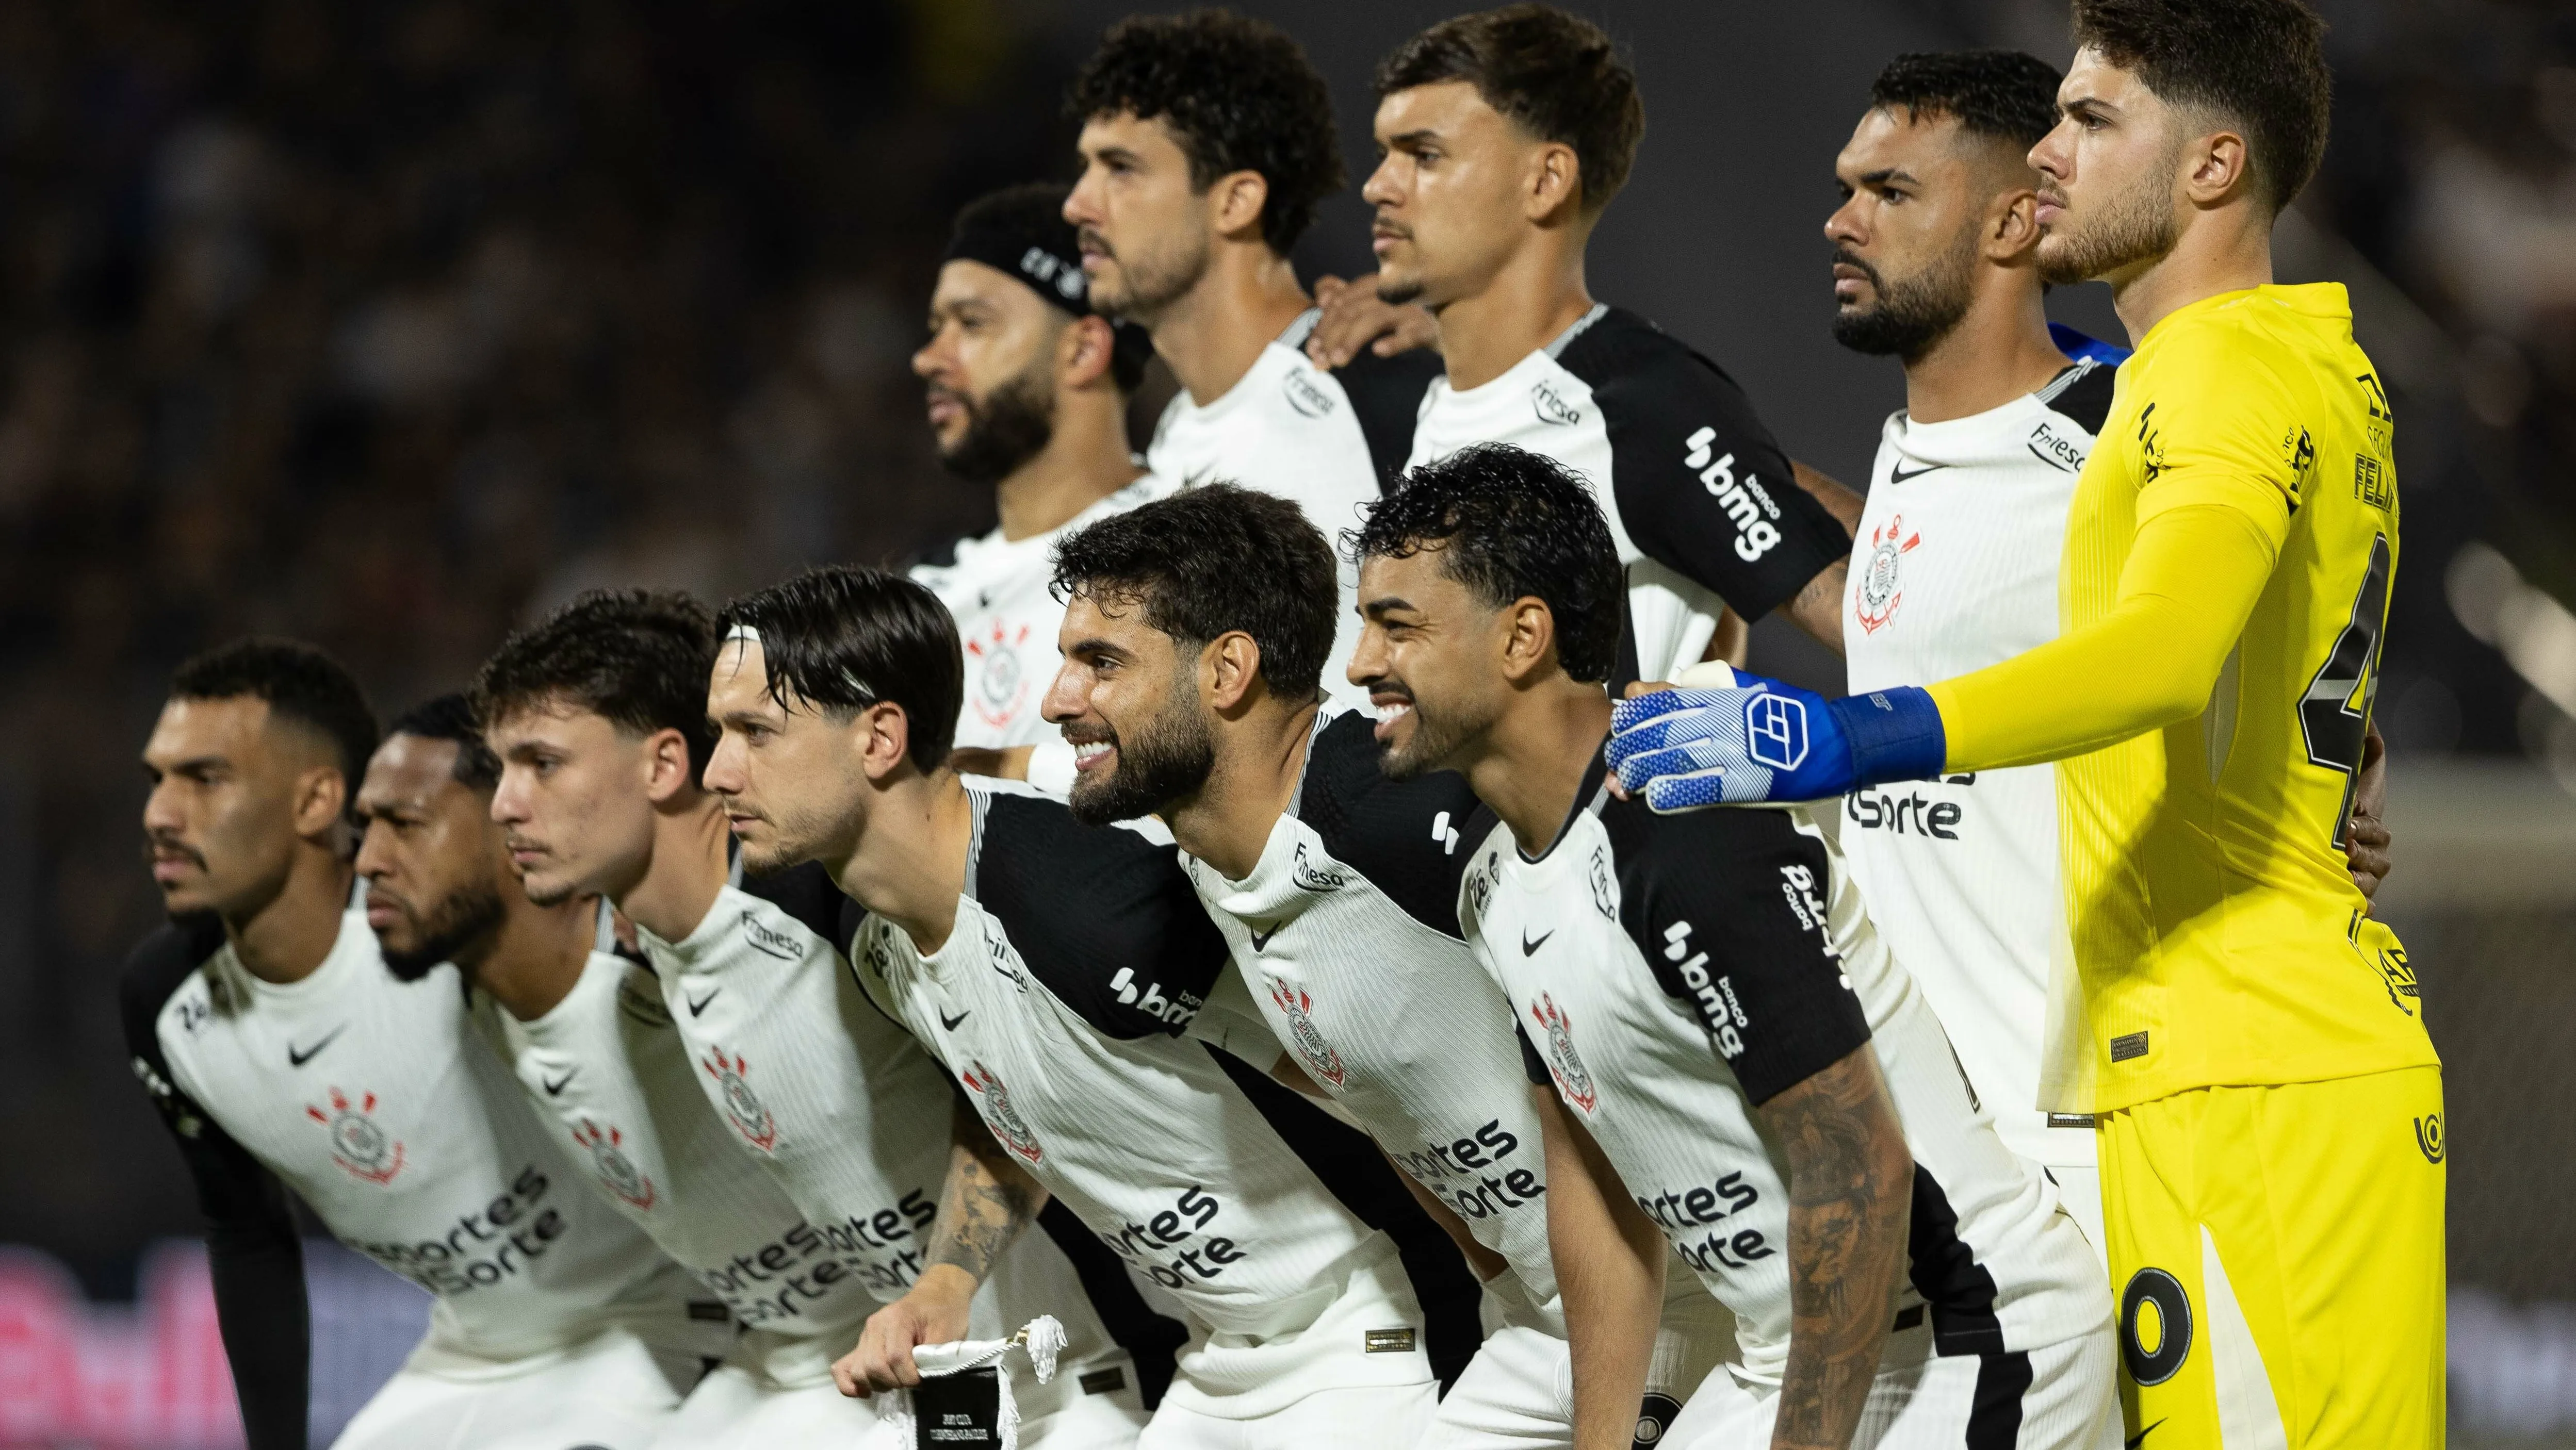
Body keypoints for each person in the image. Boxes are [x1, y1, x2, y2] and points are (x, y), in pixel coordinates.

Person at [1607, 4, 2442, 1442]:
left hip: (2238, 1063)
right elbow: (2254, 649)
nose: (2048, 156)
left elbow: (2167, 655)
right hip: (2188, 1066)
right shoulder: (2271, 370)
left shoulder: (2206, 375)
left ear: (2213, 165)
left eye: (2093, 122)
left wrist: (1849, 738)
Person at [1350, 447, 2115, 1449]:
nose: (1361, 662)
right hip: (1786, 1351)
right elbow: (1596, 1199)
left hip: (1970, 1334)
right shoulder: (1496, 883)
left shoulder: (1684, 829)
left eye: (1396, 625)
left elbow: (1859, 1171)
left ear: (1522, 637)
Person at [1817, 49, 2398, 1266]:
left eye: (1890, 191)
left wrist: (2338, 763)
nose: (1841, 219)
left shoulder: (2118, 433)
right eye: (1847, 185)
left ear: (2017, 218)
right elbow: (1903, 591)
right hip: (1919, 1139)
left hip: (2086, 1133)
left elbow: (2226, 628)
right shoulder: (1911, 449)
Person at [702, 565, 1484, 1449]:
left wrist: (1504, 1300)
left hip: (1372, 1343)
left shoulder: (1084, 905)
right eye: (716, 732)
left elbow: (1367, 1087)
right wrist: (944, 1282)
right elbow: (1004, 1093)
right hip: (1220, 1360)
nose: (718, 769)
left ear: (880, 736)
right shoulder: (874, 938)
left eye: (753, 732)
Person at [1041, 482, 1732, 1449]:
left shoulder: (1395, 806)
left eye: (1100, 663)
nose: (1056, 700)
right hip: (1533, 1322)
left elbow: (1631, 766)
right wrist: (1493, 1272)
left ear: (1227, 670)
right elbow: (1382, 1099)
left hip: (1685, 1308)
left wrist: (1697, 704)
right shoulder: (1208, 859)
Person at [469, 589, 1163, 1448]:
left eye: (541, 762)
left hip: (1084, 1379)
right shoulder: (647, 950)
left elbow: (1012, 1089)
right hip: (915, 1380)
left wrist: (1034, 768)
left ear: (659, 764)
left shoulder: (831, 899)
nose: (503, 803)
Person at [119, 639, 727, 1450]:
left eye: (205, 779)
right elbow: (243, 1229)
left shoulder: (443, 920)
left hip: (651, 1321)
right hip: (473, 1350)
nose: (161, 813)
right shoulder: (166, 1003)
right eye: (158, 779)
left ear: (315, 801)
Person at [351, 694, 888, 1447]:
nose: (369, 859)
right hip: (775, 1356)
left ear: (512, 824)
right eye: (364, 829)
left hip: (894, 1341)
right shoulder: (470, 1002)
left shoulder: (670, 956)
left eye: (404, 825)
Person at [1364, 4, 1860, 685]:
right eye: (1384, 155)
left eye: (1423, 156)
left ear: (1544, 181)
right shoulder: (1445, 401)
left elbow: (1889, 634)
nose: (1376, 187)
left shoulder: (1641, 401)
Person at [1062, 10, 1440, 711]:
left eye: (1120, 168)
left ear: (1236, 200)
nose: (1077, 204)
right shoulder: (1179, 429)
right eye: (1086, 167)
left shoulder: (1373, 398)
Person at [910, 183, 1172, 791]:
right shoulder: (922, 594)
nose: (929, 357)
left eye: (972, 323)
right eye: (936, 326)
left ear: (1082, 348)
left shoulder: (1184, 559)